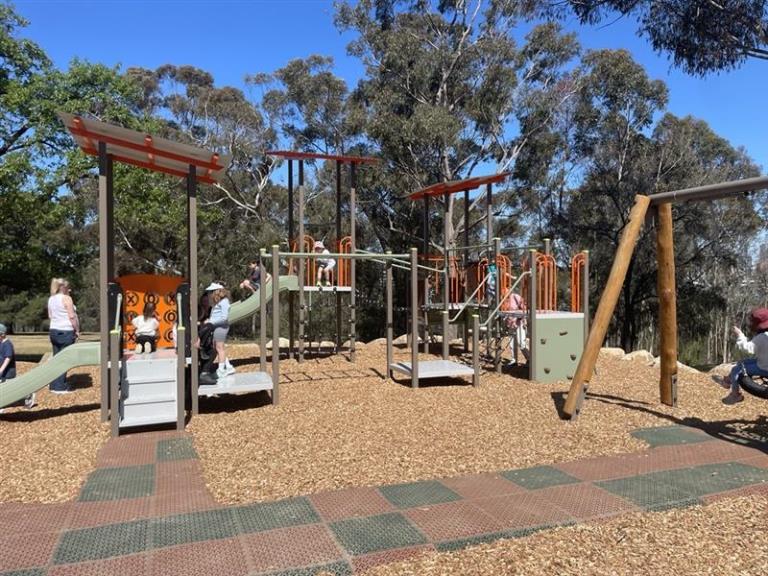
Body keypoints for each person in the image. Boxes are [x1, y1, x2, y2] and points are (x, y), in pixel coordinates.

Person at [718, 307, 768, 405]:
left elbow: (747, 349)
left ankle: (735, 394)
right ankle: (728, 380)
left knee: (736, 370)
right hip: (764, 362)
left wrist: (740, 335)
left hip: (764, 367)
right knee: (742, 362)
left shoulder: (762, 337)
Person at [47, 277, 79, 393]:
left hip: (54, 330)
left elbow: (50, 316)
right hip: (66, 330)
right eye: (68, 288)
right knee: (64, 359)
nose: (70, 290)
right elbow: (72, 316)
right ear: (64, 288)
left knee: (56, 358)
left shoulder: (51, 299)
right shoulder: (67, 299)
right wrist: (76, 330)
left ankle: (53, 384)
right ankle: (60, 387)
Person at [0, 323, 35, 413]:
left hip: (8, 373)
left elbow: (8, 358)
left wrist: (1, 370)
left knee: (9, 390)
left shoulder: (7, 344)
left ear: (2, 334)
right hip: (2, 372)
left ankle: (28, 396)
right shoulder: (1, 343)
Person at [207, 285, 235, 379]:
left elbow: (224, 318)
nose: (209, 294)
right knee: (217, 347)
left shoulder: (224, 302)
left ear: (216, 292)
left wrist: (211, 322)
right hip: (216, 327)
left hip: (221, 328)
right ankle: (229, 366)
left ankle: (221, 370)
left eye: (211, 292)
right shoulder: (218, 302)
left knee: (220, 348)